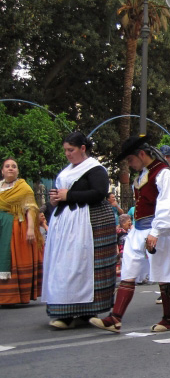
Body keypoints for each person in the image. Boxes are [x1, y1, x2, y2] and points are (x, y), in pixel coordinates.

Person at [90, 136, 170, 333]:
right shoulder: (143, 175)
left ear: (141, 154)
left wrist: (156, 231)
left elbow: (167, 205)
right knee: (129, 272)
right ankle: (115, 318)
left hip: (158, 230)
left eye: (130, 160)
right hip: (139, 229)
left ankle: (168, 319)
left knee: (164, 274)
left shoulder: (163, 174)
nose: (129, 165)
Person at [42, 132, 118, 329]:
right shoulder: (67, 171)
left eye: (71, 150)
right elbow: (63, 195)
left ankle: (85, 311)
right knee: (64, 265)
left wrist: (70, 195)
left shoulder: (95, 169)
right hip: (65, 224)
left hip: (88, 223)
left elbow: (99, 193)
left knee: (82, 266)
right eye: (66, 150)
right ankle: (63, 310)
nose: (67, 154)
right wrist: (55, 200)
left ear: (82, 149)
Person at [0, 158, 43, 306]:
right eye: (7, 166)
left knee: (13, 259)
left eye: (14, 166)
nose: (10, 168)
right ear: (2, 171)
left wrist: (31, 229)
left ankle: (13, 297)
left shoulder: (23, 188)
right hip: (1, 227)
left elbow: (31, 208)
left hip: (15, 227)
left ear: (17, 171)